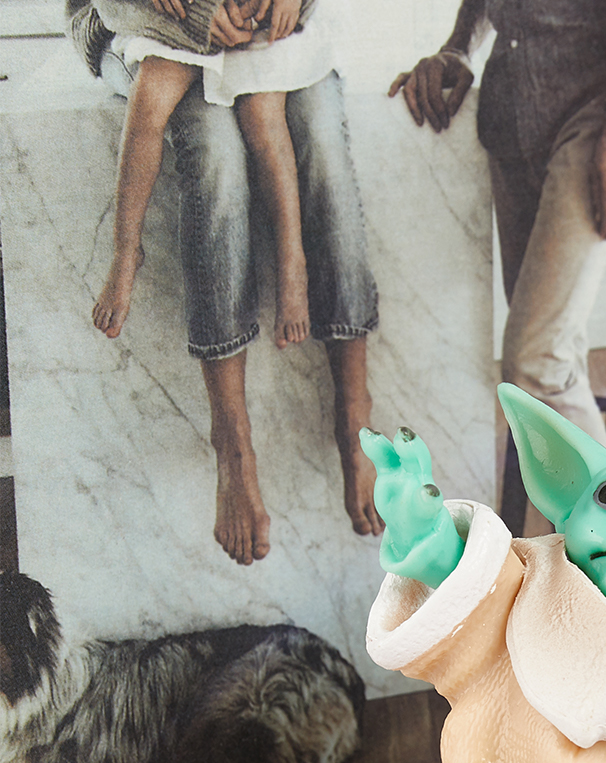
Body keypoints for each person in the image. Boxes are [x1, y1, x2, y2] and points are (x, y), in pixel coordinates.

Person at [69, 0, 382, 564]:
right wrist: (192, 18)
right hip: (147, 22)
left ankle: (355, 416)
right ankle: (232, 445)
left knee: (320, 140)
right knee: (215, 156)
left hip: (261, 25)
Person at [389, 0, 606, 455]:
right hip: (512, 113)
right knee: (553, 355)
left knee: (536, 362)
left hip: (595, 107)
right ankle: (563, 501)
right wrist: (457, 47)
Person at [93, 0, 327, 351]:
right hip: (180, 17)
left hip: (255, 17)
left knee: (263, 115)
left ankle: (292, 259)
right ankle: (126, 251)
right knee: (151, 96)